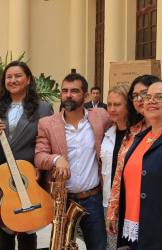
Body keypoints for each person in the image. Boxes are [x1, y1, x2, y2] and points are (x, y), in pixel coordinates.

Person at [35, 73, 111, 250]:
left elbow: (125, 121)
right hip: (63, 201)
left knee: (98, 247)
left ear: (86, 96)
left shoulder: (100, 117)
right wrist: (56, 159)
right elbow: (39, 156)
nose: (68, 95)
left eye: (74, 91)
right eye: (65, 91)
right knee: (61, 247)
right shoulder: (47, 123)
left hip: (93, 198)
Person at [0, 61, 53, 250]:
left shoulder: (43, 108)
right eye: (8, 77)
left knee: (27, 232)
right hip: (0, 180)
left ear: (28, 80)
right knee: (4, 232)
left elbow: (46, 143)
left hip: (28, 179)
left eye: (18, 76)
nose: (12, 80)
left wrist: (39, 170)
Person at [114, 81, 162, 249]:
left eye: (160, 97)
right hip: (135, 232)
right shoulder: (139, 138)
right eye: (148, 97)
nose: (151, 101)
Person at [100, 84, 129, 249]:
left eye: (117, 104)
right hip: (109, 202)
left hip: (130, 204)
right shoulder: (107, 133)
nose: (112, 109)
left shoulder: (139, 134)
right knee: (112, 246)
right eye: (109, 104)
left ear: (128, 106)